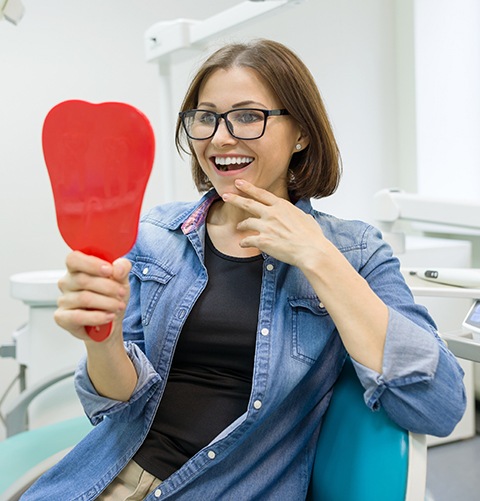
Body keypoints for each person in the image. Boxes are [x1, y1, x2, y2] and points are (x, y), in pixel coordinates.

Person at [23, 39, 466, 500]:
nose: (220, 137)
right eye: (205, 117)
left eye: (249, 116)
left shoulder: (354, 252)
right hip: (103, 479)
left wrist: (317, 257)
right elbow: (119, 404)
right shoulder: (155, 235)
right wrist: (104, 338)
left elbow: (438, 405)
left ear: (302, 133)